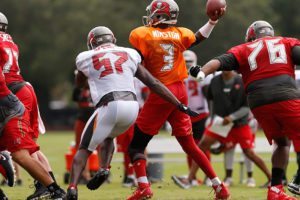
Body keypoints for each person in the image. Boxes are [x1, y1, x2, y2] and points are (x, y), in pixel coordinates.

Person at [66, 26, 198, 200]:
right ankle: (104, 169)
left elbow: (80, 84)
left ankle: (72, 189)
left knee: (83, 148)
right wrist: (178, 104)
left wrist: (83, 77)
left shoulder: (85, 57)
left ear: (91, 42)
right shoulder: (129, 53)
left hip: (109, 104)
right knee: (108, 135)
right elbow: (154, 83)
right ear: (112, 39)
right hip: (132, 107)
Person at [127, 1, 229, 199]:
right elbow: (198, 38)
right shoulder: (180, 33)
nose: (150, 17)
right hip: (180, 90)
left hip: (161, 92)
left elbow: (137, 59)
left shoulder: (142, 34)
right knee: (189, 144)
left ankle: (143, 188)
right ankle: (219, 187)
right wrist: (212, 21)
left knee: (136, 146)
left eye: (153, 14)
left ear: (160, 15)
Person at [189, 20, 300, 200]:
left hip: (258, 102)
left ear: (251, 36)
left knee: (282, 142)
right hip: (285, 95)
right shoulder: (286, 42)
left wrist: (202, 72)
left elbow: (220, 61)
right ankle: (298, 180)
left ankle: (276, 190)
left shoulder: (244, 48)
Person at [0, 12, 66, 199]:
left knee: (22, 151)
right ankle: (48, 186)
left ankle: (51, 188)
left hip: (10, 93)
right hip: (19, 90)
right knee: (27, 148)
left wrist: (6, 97)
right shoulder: (10, 41)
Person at [171, 50, 213, 188]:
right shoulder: (194, 73)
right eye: (186, 61)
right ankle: (194, 177)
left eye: (189, 61)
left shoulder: (182, 74)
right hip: (189, 113)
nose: (188, 64)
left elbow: (209, 94)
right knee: (192, 147)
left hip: (200, 113)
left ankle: (205, 177)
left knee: (200, 147)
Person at [116, 79, 149, 187]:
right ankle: (131, 175)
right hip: (126, 110)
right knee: (127, 146)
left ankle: (138, 175)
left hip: (135, 111)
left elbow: (145, 94)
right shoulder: (134, 75)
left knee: (135, 144)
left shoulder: (137, 76)